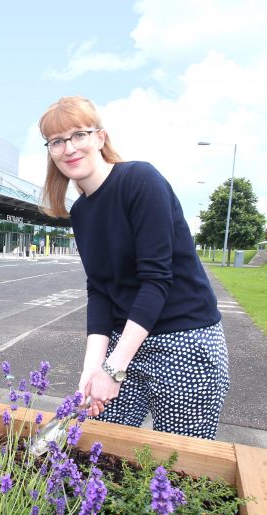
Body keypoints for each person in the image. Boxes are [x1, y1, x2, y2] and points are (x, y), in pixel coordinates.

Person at [38, 96, 229, 439]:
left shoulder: (140, 180)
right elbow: (99, 289)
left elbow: (156, 281)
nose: (69, 148)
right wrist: (92, 368)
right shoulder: (80, 213)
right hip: (124, 340)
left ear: (100, 138)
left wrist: (112, 369)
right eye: (57, 141)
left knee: (180, 463)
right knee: (105, 448)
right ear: (50, 151)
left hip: (183, 342)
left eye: (79, 134)